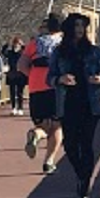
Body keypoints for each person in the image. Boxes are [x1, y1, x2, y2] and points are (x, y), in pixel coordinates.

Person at [48, 13, 100, 198]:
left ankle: (84, 185)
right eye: (76, 26)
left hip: (90, 104)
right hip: (67, 104)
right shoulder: (59, 52)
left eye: (82, 26)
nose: (79, 29)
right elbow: (49, 78)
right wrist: (60, 79)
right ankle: (82, 173)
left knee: (86, 144)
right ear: (68, 29)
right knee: (70, 145)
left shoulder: (94, 52)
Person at [18, 14, 63, 173]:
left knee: (42, 125)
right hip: (57, 88)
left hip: (36, 87)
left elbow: (21, 65)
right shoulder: (64, 43)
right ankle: (49, 161)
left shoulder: (34, 43)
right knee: (57, 126)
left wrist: (33, 76)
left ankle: (36, 134)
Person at [2, 35, 28, 116]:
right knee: (12, 92)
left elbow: (27, 51)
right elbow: (3, 52)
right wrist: (7, 44)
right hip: (12, 74)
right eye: (15, 44)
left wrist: (23, 45)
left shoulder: (23, 53)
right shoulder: (10, 53)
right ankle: (13, 108)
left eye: (18, 44)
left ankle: (20, 108)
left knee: (20, 92)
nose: (16, 46)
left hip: (21, 75)